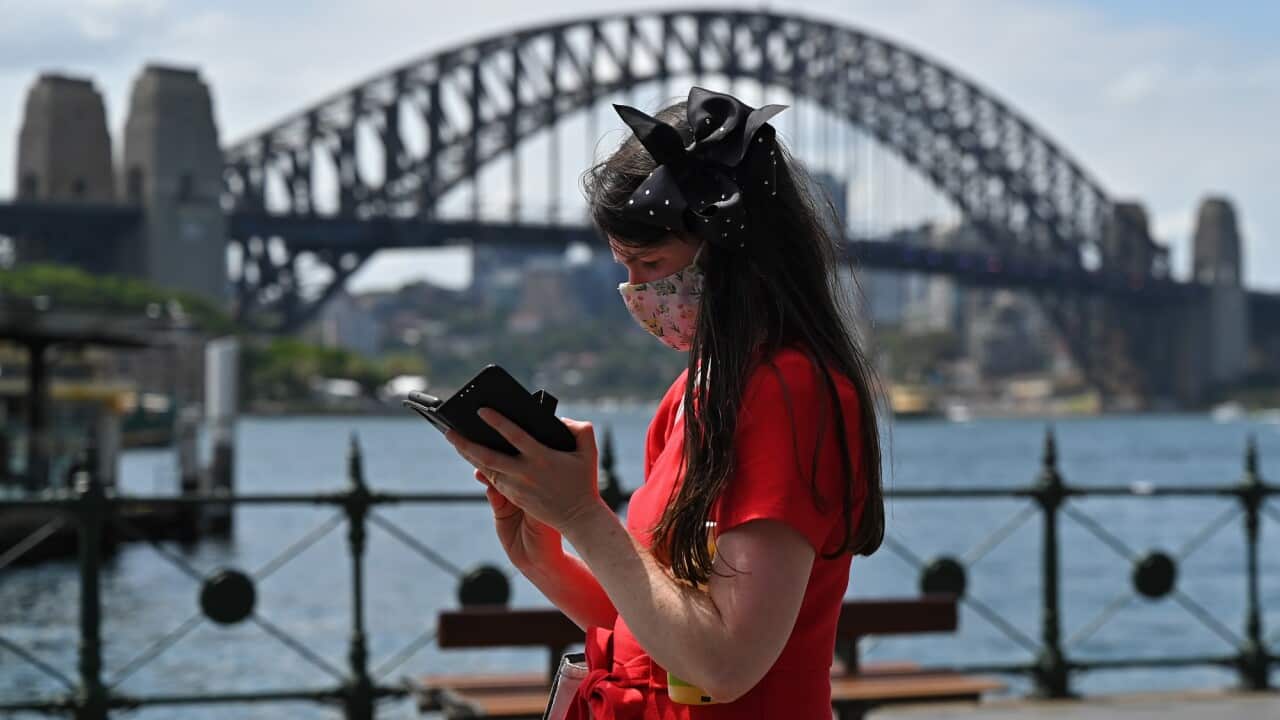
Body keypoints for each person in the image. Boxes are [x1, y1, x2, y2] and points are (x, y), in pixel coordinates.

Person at [443, 86, 886, 719]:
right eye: (625, 267)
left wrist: (583, 516)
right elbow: (653, 625)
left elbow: (724, 663)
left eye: (650, 262)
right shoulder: (689, 396)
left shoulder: (790, 392)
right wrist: (543, 555)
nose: (637, 291)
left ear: (729, 254)